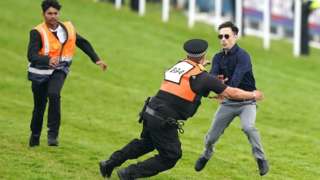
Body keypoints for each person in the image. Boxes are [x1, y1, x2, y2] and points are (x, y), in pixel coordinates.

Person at [99, 39, 264, 179]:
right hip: (164, 118)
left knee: (147, 143)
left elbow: (190, 74)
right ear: (204, 55)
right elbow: (232, 92)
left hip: (150, 110)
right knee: (171, 156)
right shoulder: (204, 77)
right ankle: (128, 174)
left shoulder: (178, 66)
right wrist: (253, 94)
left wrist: (201, 66)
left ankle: (109, 163)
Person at [27, 0, 107, 147]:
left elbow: (82, 42)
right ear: (43, 14)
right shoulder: (37, 32)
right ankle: (35, 136)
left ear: (59, 14)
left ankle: (52, 134)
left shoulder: (68, 28)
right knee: (39, 106)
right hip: (40, 73)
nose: (52, 16)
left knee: (54, 94)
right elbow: (31, 55)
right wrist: (47, 60)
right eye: (49, 13)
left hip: (60, 69)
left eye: (55, 13)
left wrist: (96, 59)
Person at [194, 21, 269, 176]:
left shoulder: (243, 56)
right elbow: (213, 77)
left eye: (227, 36)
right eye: (220, 36)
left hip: (246, 102)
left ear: (235, 36)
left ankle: (261, 159)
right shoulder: (217, 57)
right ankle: (206, 154)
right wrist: (217, 83)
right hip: (227, 103)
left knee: (248, 127)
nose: (223, 39)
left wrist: (220, 86)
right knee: (210, 137)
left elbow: (234, 81)